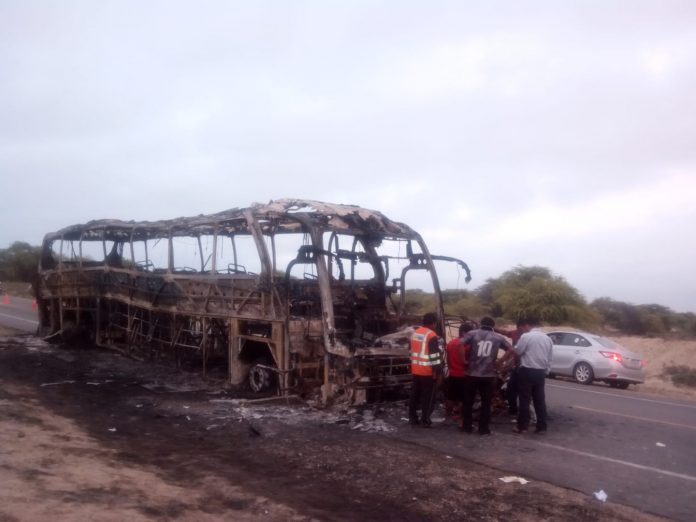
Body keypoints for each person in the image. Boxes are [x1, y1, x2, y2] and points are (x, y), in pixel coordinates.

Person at [460, 316, 512, 435]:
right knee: (486, 403)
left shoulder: (472, 334)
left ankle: (467, 427)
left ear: (481, 324)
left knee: (468, 401)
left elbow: (460, 344)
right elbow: (511, 349)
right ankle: (483, 429)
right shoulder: (498, 337)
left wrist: (464, 360)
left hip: (472, 374)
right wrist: (500, 361)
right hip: (488, 375)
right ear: (493, 326)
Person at [513, 317, 553, 434]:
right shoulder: (547, 339)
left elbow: (518, 351)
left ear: (526, 325)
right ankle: (541, 427)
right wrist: (546, 372)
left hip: (527, 370)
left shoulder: (526, 336)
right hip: (541, 372)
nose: (522, 330)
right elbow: (550, 358)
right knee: (539, 400)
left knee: (524, 400)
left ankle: (522, 426)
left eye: (522, 328)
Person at [409, 312, 443, 427]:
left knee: (415, 395)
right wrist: (437, 371)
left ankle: (412, 418)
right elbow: (434, 356)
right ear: (434, 323)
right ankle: (425, 420)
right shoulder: (431, 335)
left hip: (416, 370)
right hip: (427, 372)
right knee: (428, 397)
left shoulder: (415, 333)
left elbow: (412, 350)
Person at [444, 321, 475, 421]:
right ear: (464, 333)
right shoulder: (468, 345)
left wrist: (451, 369)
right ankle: (461, 417)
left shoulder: (450, 343)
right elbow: (469, 361)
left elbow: (448, 360)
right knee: (463, 398)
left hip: (453, 374)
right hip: (464, 375)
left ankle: (447, 416)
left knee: (450, 397)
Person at [495, 319, 526, 415]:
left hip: (521, 364)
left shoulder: (526, 337)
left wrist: (501, 362)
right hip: (516, 363)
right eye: (519, 328)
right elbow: (504, 332)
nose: (520, 330)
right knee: (512, 387)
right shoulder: (515, 333)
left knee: (518, 389)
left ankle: (521, 412)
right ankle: (514, 409)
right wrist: (492, 328)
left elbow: (512, 350)